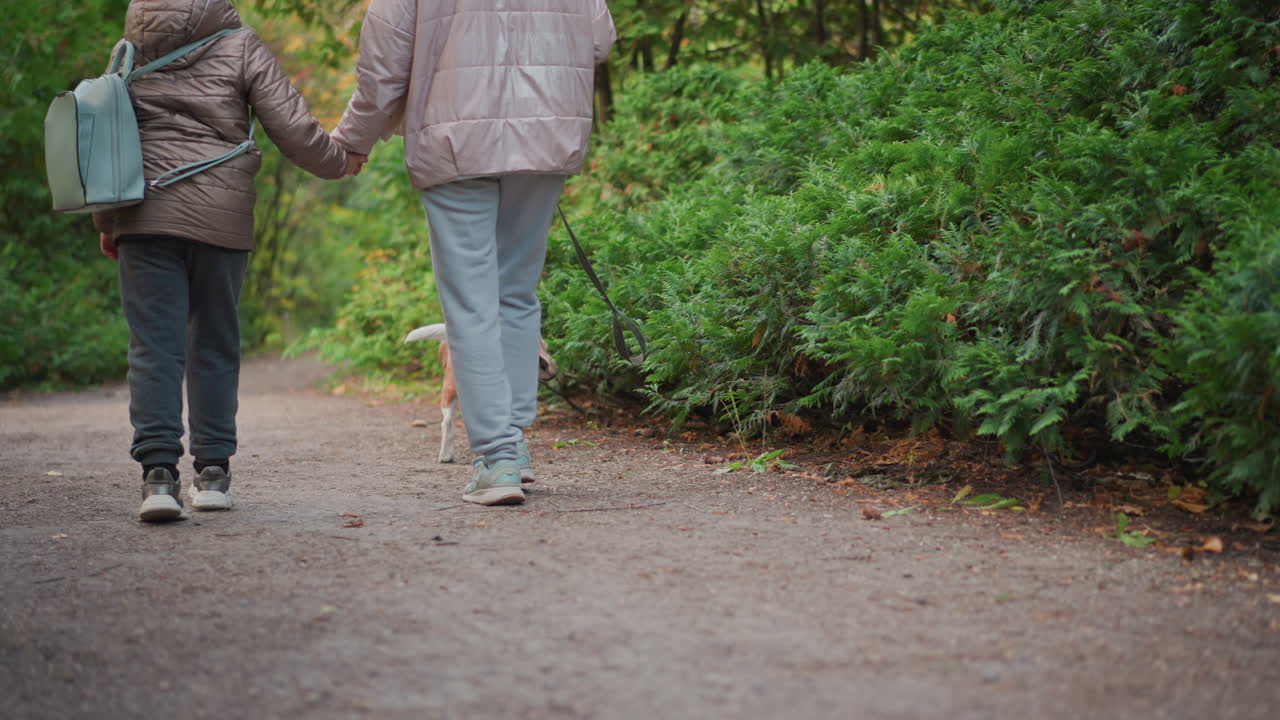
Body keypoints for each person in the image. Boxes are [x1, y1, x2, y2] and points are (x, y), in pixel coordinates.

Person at [332, 0, 616, 506]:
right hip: (545, 132)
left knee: (470, 302)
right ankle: (516, 444)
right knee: (516, 291)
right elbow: (599, 40)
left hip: (452, 136)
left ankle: (499, 457)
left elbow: (383, 65)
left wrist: (355, 140)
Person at [94, 0, 365, 523]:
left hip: (142, 213)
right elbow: (292, 127)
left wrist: (107, 223)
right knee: (214, 340)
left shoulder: (128, 49)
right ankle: (213, 473)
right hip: (221, 216)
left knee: (153, 347)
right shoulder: (241, 45)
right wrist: (340, 163)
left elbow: (104, 135)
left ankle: (158, 478)